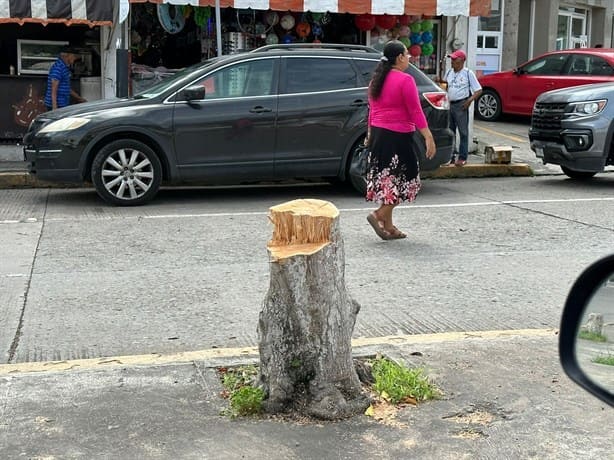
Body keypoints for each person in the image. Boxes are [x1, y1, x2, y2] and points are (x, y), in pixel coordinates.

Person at [365, 40, 436, 241]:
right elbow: (415, 110)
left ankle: (388, 225)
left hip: (379, 136)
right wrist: (428, 136)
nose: (409, 58)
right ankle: (379, 214)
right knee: (407, 179)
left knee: (390, 181)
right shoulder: (405, 80)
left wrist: (370, 135)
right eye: (407, 54)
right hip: (398, 137)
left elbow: (372, 111)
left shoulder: (376, 80)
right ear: (400, 58)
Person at [441, 49, 482, 166]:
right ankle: (451, 156)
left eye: (455, 59)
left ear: (462, 61)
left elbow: (479, 90)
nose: (452, 61)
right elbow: (444, 85)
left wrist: (469, 100)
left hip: (461, 105)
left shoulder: (468, 73)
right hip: (450, 104)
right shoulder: (449, 72)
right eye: (452, 59)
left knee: (463, 132)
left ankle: (462, 157)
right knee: (450, 132)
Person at [44, 47, 86, 111]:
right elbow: (54, 89)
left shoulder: (65, 67)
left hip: (63, 104)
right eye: (74, 56)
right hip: (57, 105)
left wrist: (79, 98)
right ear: (68, 56)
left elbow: (66, 87)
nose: (75, 58)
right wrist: (54, 108)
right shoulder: (58, 68)